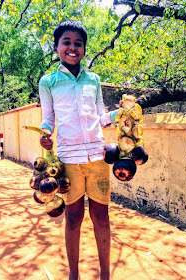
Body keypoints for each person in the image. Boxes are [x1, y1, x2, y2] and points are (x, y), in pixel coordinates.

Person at [39, 19, 118, 280]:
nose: (73, 48)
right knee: (73, 217)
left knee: (101, 216)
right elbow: (48, 118)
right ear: (56, 47)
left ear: (84, 49)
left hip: (98, 157)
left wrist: (123, 112)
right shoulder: (48, 82)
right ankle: (74, 275)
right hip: (68, 160)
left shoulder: (93, 80)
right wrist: (46, 134)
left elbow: (101, 116)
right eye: (67, 42)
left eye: (78, 43)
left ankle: (105, 275)